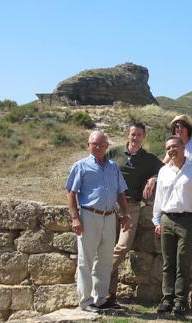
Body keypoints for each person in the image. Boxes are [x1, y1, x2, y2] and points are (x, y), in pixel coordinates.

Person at [66, 130, 132, 313]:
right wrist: (75, 218)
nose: (99, 147)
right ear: (89, 145)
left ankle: (100, 298)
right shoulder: (80, 166)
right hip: (89, 216)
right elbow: (71, 193)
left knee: (105, 259)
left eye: (102, 144)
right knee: (85, 261)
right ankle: (86, 301)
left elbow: (121, 192)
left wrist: (125, 214)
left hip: (110, 217)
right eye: (95, 144)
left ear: (107, 146)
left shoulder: (113, 167)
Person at [106, 123, 164, 306]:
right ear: (127, 135)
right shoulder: (114, 152)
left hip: (131, 207)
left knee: (122, 246)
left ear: (144, 137)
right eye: (133, 134)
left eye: (139, 134)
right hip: (110, 204)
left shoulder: (148, 159)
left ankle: (99, 274)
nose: (135, 137)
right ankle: (109, 296)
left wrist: (154, 178)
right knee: (108, 248)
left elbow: (165, 169)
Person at [153, 136, 192, 315]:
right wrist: (156, 220)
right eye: (168, 147)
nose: (171, 150)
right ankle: (167, 299)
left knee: (183, 262)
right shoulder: (163, 171)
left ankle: (180, 301)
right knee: (168, 262)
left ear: (183, 147)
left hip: (187, 220)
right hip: (167, 219)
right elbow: (159, 199)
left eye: (174, 146)